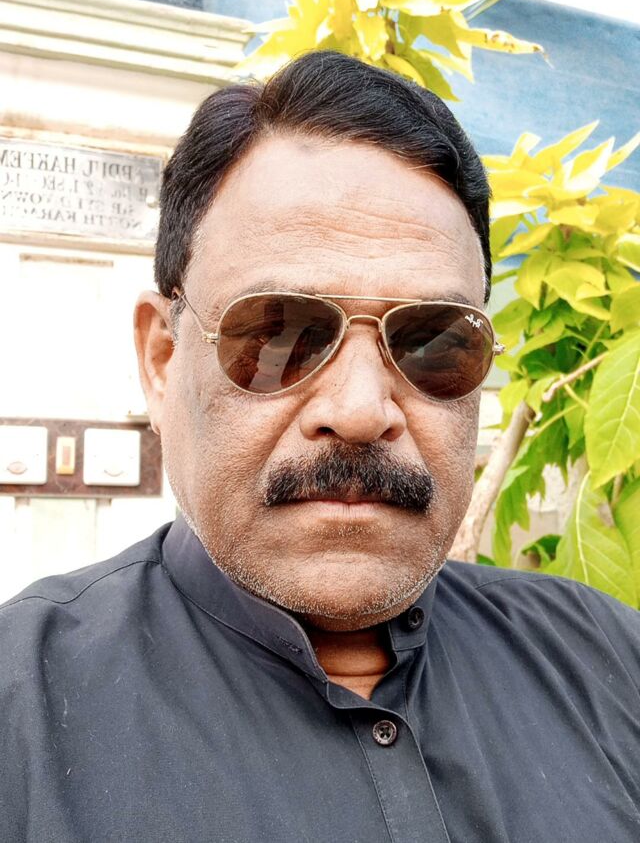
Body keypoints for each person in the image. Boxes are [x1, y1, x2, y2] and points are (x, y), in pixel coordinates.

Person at [1, 51, 638, 843]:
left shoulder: (610, 664)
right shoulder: (21, 716)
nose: (362, 410)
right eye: (281, 335)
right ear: (162, 360)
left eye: (432, 342)